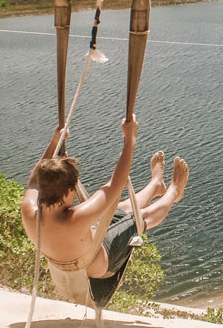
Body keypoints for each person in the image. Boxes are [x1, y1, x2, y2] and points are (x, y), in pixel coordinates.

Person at [20, 119, 189, 305]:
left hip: (64, 276)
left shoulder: (29, 210)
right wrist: (130, 139)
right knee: (140, 218)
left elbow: (36, 176)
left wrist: (56, 141)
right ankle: (174, 192)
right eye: (74, 189)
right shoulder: (75, 219)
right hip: (99, 270)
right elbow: (115, 185)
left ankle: (156, 185)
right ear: (69, 191)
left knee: (119, 209)